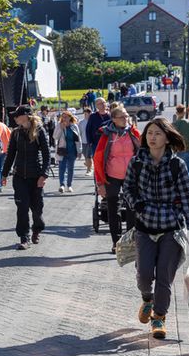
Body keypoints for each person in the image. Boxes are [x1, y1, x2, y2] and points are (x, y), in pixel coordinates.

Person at [121, 118, 189, 339]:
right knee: (144, 275)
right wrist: (135, 203)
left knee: (164, 278)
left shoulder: (178, 165)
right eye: (149, 133)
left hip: (171, 229)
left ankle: (159, 318)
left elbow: (188, 200)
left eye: (157, 133)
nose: (152, 137)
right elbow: (127, 187)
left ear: (167, 138)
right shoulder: (136, 163)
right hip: (144, 227)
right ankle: (147, 299)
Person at [1, 105, 50, 250]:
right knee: (22, 207)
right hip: (19, 176)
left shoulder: (39, 131)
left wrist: (43, 175)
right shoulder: (16, 132)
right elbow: (10, 155)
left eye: (17, 115)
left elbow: (47, 155)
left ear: (26, 116)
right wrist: (4, 174)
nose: (15, 118)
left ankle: (37, 229)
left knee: (36, 208)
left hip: (35, 175)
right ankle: (24, 237)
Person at [93, 107, 141, 253]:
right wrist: (100, 183)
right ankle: (117, 242)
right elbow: (98, 158)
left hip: (131, 176)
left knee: (132, 209)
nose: (125, 119)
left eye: (126, 116)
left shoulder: (133, 132)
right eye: (122, 117)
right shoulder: (107, 135)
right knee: (113, 209)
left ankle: (131, 242)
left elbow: (143, 152)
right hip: (112, 176)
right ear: (113, 119)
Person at [53, 111, 82, 193]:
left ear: (70, 117)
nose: (64, 118)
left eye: (66, 117)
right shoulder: (59, 125)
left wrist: (79, 151)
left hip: (72, 150)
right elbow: (55, 137)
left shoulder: (74, 126)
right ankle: (62, 185)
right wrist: (61, 128)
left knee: (70, 168)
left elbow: (78, 139)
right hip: (62, 150)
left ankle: (69, 185)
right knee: (61, 168)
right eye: (63, 117)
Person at [78, 108, 93, 176]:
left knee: (88, 156)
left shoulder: (92, 122)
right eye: (85, 114)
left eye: (88, 113)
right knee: (85, 155)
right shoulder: (81, 122)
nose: (87, 115)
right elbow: (79, 133)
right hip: (83, 141)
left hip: (90, 142)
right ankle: (88, 164)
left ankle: (89, 170)